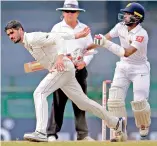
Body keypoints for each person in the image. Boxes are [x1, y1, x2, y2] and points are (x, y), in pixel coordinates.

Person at [5, 20, 126, 142]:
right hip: (63, 69)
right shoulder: (27, 43)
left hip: (62, 68)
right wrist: (75, 36)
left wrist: (59, 59)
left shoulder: (32, 38)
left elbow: (58, 39)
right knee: (83, 103)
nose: (11, 36)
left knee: (39, 93)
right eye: (8, 35)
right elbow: (56, 36)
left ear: (20, 29)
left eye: (12, 32)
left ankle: (41, 132)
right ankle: (116, 123)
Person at [88, 2, 151, 141]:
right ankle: (120, 132)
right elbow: (105, 38)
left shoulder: (141, 34)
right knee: (114, 101)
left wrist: (105, 43)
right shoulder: (120, 27)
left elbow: (127, 52)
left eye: (128, 14)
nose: (125, 16)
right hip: (123, 67)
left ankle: (143, 124)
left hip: (140, 68)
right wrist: (85, 49)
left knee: (139, 102)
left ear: (136, 18)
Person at [46, 0, 94, 141]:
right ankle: (51, 134)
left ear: (78, 12)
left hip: (79, 71)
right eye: (67, 11)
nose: (69, 14)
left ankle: (83, 135)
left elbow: (90, 50)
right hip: (62, 70)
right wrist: (60, 57)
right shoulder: (57, 28)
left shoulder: (84, 28)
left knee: (81, 102)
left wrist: (84, 62)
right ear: (63, 12)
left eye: (73, 11)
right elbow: (50, 48)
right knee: (58, 103)